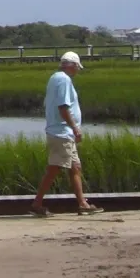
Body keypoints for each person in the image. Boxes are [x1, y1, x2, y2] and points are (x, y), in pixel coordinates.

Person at [31, 50, 102, 215]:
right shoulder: (63, 80)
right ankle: (36, 203)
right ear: (73, 66)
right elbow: (63, 107)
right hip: (62, 132)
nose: (78, 71)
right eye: (77, 67)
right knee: (54, 168)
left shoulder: (55, 77)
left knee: (75, 167)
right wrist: (75, 128)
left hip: (63, 132)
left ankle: (82, 204)